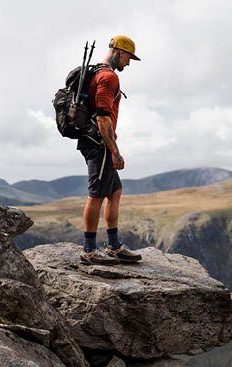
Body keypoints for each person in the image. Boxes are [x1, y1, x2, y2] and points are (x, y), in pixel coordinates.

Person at [78, 35, 142, 265]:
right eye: (128, 58)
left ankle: (114, 246)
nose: (128, 63)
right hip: (99, 143)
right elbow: (103, 118)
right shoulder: (108, 77)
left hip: (95, 141)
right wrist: (114, 150)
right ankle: (89, 249)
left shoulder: (97, 72)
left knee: (114, 191)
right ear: (119, 52)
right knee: (96, 195)